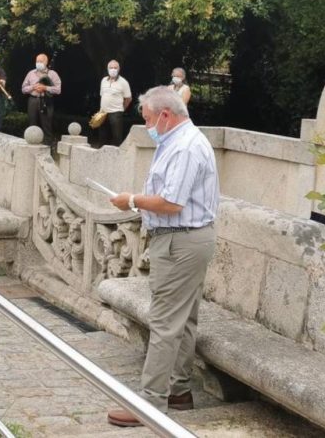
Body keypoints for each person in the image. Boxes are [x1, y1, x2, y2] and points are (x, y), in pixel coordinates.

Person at [107, 86, 218, 427]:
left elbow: (171, 202)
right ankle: (179, 391)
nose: (147, 126)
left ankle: (151, 404)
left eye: (148, 119)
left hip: (179, 241)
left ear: (166, 115)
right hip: (184, 240)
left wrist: (132, 201)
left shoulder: (184, 147)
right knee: (183, 321)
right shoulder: (177, 140)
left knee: (165, 323)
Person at [21, 53, 61, 145]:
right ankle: (31, 147)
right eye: (37, 61)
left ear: (46, 62)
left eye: (41, 61)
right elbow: (23, 89)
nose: (38, 63)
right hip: (33, 100)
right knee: (32, 124)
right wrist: (33, 87)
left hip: (46, 101)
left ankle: (48, 148)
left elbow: (58, 90)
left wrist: (45, 88)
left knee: (47, 126)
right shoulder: (31, 73)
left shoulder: (52, 74)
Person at [98, 60, 132, 147]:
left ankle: (117, 157)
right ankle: (101, 155)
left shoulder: (123, 82)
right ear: (107, 69)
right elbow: (102, 95)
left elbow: (128, 98)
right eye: (111, 68)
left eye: (115, 68)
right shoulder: (103, 80)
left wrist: (122, 109)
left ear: (119, 69)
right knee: (102, 135)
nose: (113, 69)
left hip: (116, 112)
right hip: (103, 113)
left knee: (117, 137)